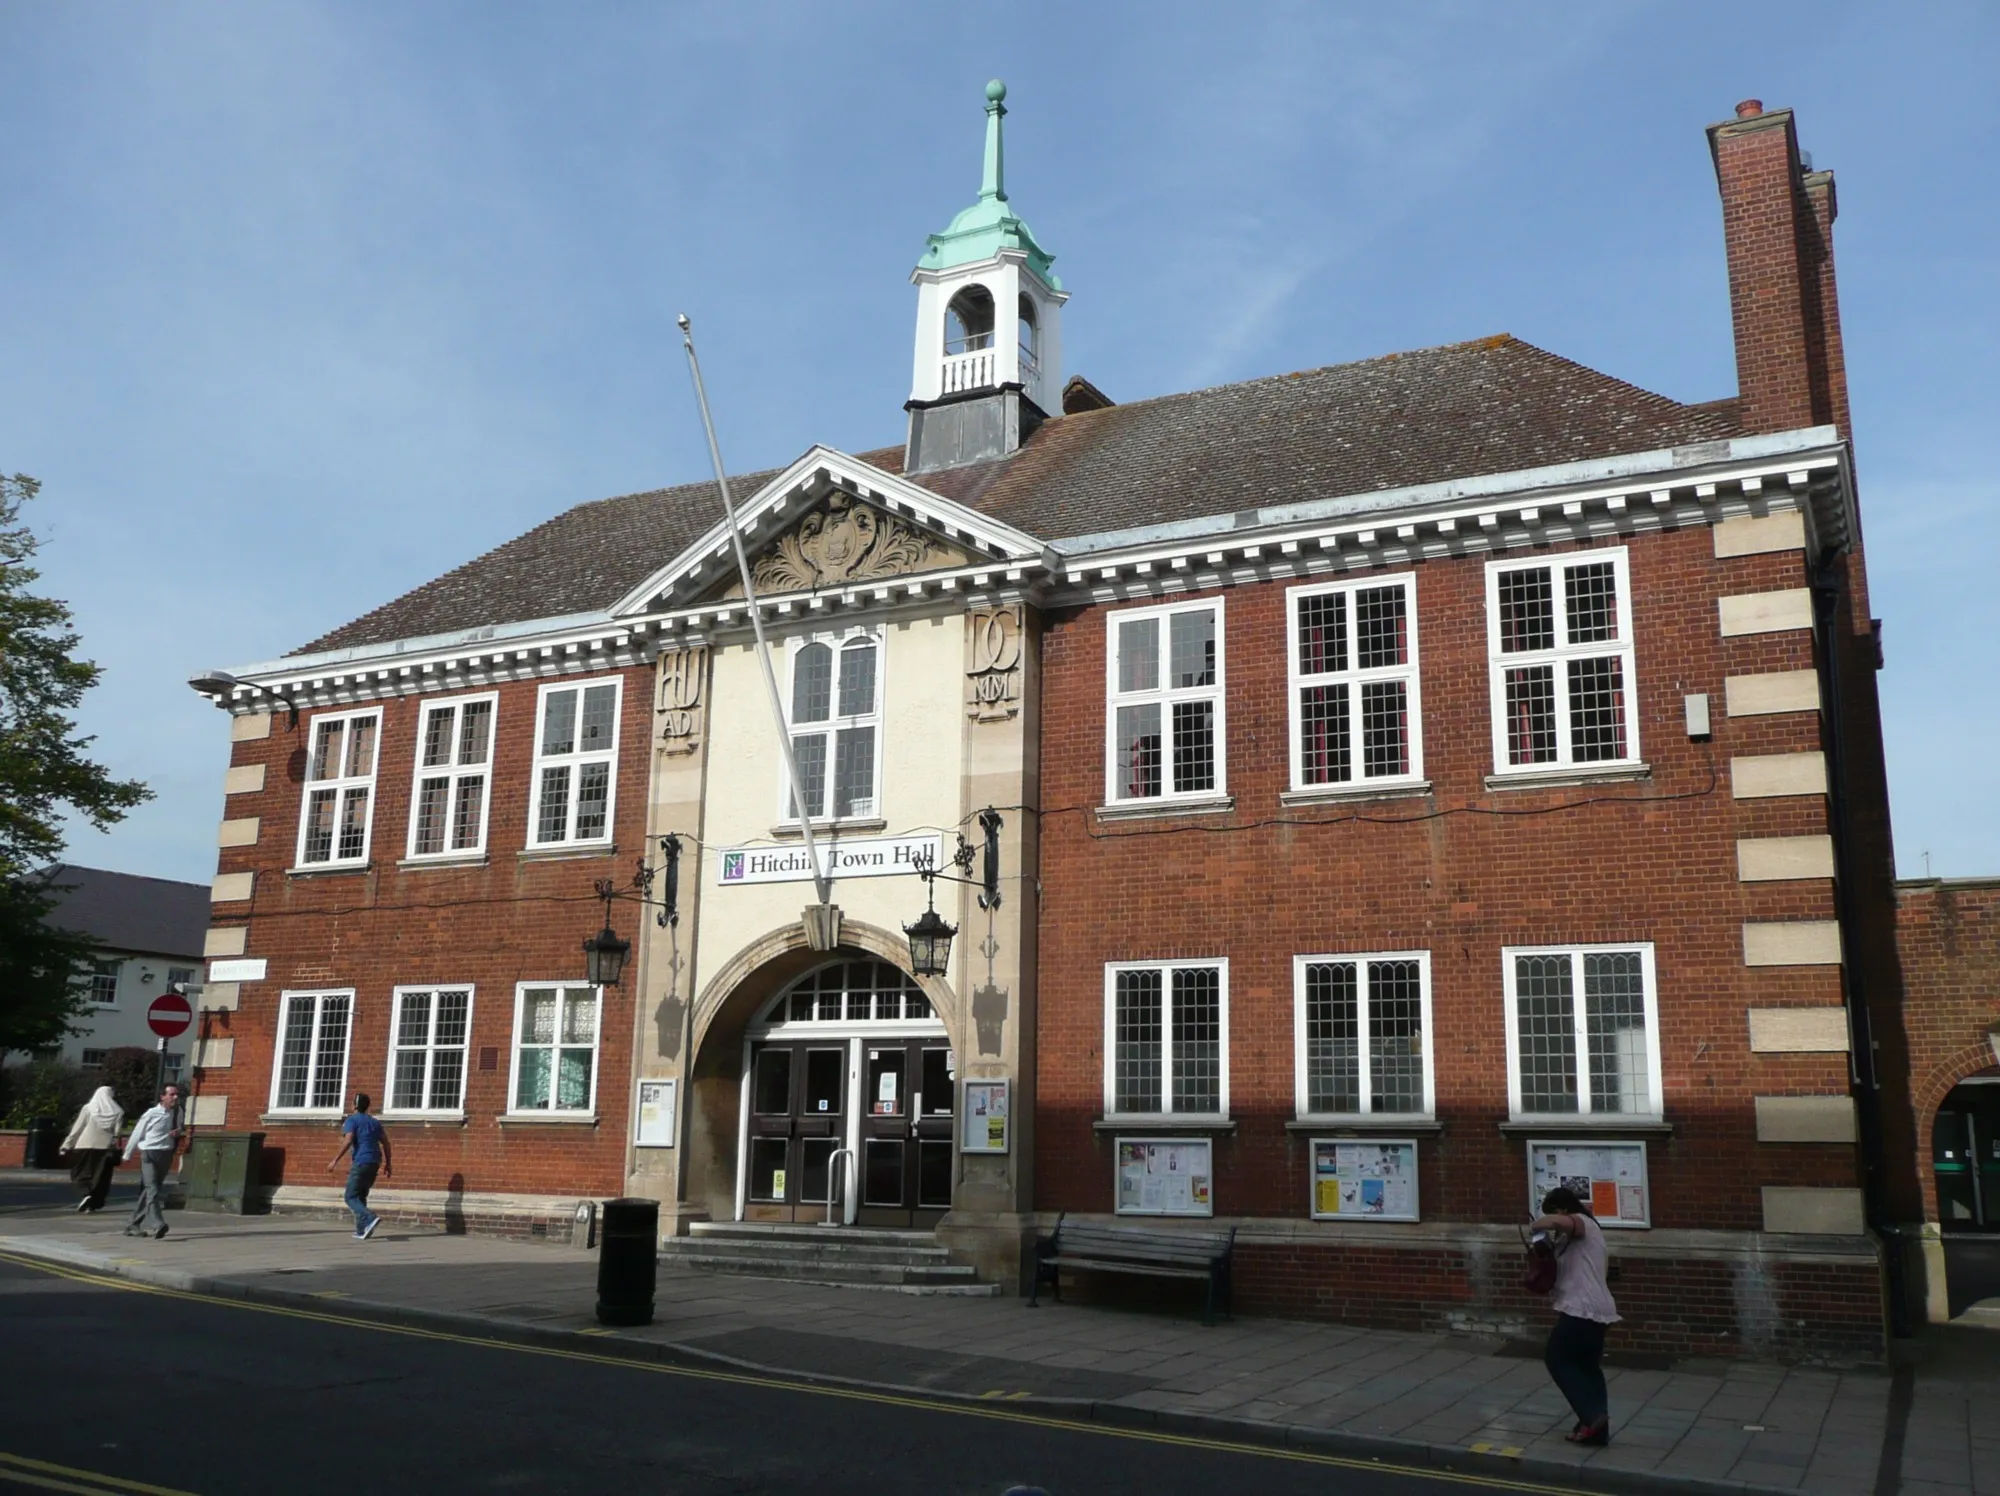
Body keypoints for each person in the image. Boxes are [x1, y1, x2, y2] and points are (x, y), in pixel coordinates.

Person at [1530, 1186, 1620, 1446]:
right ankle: (1596, 1427)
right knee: (1587, 1367)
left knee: (1558, 1359)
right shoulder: (1578, 1237)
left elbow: (1560, 1222)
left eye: (1553, 1212)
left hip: (1583, 1307)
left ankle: (1591, 1417)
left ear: (1561, 1208)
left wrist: (1536, 1225)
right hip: (1598, 1308)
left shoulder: (1583, 1224)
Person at [121, 1083, 183, 1240]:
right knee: (152, 1189)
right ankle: (158, 1224)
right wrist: (127, 1153)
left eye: (177, 1095)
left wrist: (178, 1132)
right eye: (171, 1094)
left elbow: (181, 1128)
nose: (175, 1097)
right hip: (149, 1154)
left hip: (166, 1154)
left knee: (149, 1191)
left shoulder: (178, 1112)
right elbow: (137, 1132)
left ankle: (132, 1224)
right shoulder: (152, 1113)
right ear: (162, 1097)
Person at [327, 1093, 391, 1240]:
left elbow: (348, 1140)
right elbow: (386, 1143)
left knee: (350, 1196)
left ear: (354, 1105)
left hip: (361, 1161)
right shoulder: (375, 1122)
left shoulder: (352, 1120)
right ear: (367, 1106)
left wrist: (335, 1160)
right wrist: (389, 1164)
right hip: (375, 1161)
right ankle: (362, 1230)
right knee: (361, 1195)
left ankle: (370, 1217)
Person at [59, 1085, 125, 1213]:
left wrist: (67, 1144)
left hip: (85, 1145)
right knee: (101, 1177)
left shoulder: (89, 1108)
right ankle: (93, 1203)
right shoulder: (118, 1111)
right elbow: (117, 1134)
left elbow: (78, 1128)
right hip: (104, 1149)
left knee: (79, 1173)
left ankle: (85, 1194)